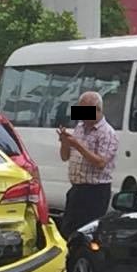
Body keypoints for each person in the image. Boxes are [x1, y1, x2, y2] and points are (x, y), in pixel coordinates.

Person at [57, 90, 119, 240]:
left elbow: (100, 162)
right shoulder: (79, 127)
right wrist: (65, 142)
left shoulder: (107, 133)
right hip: (77, 188)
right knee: (68, 230)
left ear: (97, 110)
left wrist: (77, 145)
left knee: (88, 233)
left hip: (95, 191)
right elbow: (65, 157)